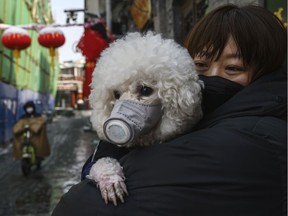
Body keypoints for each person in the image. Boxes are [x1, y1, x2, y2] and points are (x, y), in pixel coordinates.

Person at [52, 4, 286, 216]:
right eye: (200, 65)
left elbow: (78, 206)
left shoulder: (246, 140)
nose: (213, 77)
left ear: (265, 71)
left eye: (233, 68)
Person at [12, 101, 50, 169]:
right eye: (27, 108)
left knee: (38, 144)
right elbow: (18, 125)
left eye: (30, 107)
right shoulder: (23, 117)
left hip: (35, 135)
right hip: (25, 135)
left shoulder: (37, 116)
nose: (29, 109)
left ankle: (39, 157)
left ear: (33, 108)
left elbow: (41, 123)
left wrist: (35, 127)